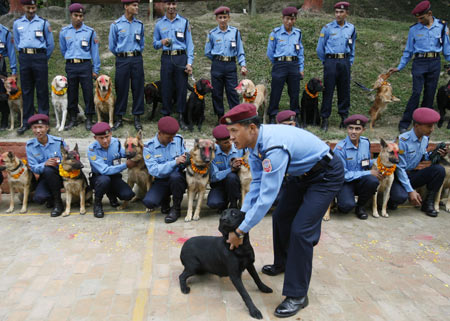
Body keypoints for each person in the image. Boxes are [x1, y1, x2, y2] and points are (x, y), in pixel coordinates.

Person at [221, 103, 344, 318]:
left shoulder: (273, 148)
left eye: (234, 131)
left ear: (251, 128)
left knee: (301, 230)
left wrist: (240, 231)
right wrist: (240, 218)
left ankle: (297, 295)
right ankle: (283, 263)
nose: (230, 137)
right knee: (281, 217)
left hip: (325, 175)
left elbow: (267, 197)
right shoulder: (254, 146)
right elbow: (257, 185)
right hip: (301, 175)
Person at [389, 1, 450, 134]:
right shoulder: (414, 29)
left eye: (422, 18)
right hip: (419, 62)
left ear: (429, 14)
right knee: (416, 93)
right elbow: (408, 51)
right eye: (417, 18)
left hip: (434, 62)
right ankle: (405, 122)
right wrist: (400, 66)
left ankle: (424, 124)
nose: (420, 20)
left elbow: (447, 49)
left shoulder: (442, 27)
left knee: (429, 94)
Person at [388, 107, 447, 217]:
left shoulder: (424, 139)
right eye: (429, 126)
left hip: (411, 174)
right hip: (397, 177)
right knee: (399, 197)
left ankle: (428, 203)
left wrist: (435, 155)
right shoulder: (402, 141)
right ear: (416, 126)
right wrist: (411, 191)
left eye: (433, 126)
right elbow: (399, 169)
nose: (432, 129)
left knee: (439, 170)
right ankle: (392, 199)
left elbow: (423, 156)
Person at [13, 0, 54, 135]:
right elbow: (18, 42)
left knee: (42, 90)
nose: (31, 10)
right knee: (26, 90)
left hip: (39, 57)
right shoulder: (17, 23)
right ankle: (27, 121)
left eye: (33, 7)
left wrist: (42, 58)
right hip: (25, 58)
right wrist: (25, 55)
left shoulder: (43, 23)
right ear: (24, 7)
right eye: (29, 7)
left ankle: (43, 122)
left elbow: (50, 44)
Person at [153, 0, 194, 129]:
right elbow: (154, 44)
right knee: (166, 87)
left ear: (176, 5)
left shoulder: (184, 22)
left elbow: (190, 44)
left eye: (173, 4)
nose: (171, 7)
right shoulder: (159, 24)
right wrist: (161, 42)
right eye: (168, 4)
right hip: (166, 58)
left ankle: (181, 117)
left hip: (181, 57)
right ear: (164, 6)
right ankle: (166, 115)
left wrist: (189, 63)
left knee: (182, 88)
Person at [60, 3, 100, 131]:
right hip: (71, 65)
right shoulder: (64, 32)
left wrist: (96, 69)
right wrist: (70, 59)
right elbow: (63, 49)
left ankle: (89, 118)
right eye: (76, 15)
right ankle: (73, 118)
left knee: (88, 92)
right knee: (72, 92)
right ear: (71, 15)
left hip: (85, 65)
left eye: (81, 16)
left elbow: (95, 52)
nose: (78, 18)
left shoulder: (90, 32)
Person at [316, 1, 356, 132]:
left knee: (344, 91)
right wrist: (326, 61)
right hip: (331, 62)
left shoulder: (351, 28)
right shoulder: (327, 28)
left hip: (344, 61)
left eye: (341, 12)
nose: (338, 14)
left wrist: (350, 61)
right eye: (336, 12)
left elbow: (352, 46)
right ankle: (325, 119)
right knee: (328, 90)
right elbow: (320, 48)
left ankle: (344, 118)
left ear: (347, 13)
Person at [333, 114, 380, 219]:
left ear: (363, 130)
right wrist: (368, 172)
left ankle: (360, 207)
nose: (353, 132)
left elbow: (365, 162)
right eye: (351, 128)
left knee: (373, 181)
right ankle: (342, 201)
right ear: (347, 129)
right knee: (346, 207)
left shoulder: (365, 142)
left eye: (357, 129)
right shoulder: (340, 149)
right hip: (345, 182)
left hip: (360, 180)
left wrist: (379, 162)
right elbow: (344, 175)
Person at [205, 6, 248, 122]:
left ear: (228, 18)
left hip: (230, 65)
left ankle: (235, 116)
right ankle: (220, 117)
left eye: (225, 17)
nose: (223, 20)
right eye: (220, 17)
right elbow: (207, 52)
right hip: (217, 65)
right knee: (217, 93)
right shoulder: (212, 34)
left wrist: (243, 65)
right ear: (216, 19)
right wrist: (217, 59)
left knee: (233, 92)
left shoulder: (235, 32)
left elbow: (240, 51)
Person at [142, 116, 187, 223]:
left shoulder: (178, 140)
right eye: (168, 137)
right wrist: (174, 162)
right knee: (149, 202)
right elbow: (154, 170)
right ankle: (165, 199)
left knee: (175, 177)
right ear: (160, 133)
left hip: (177, 179)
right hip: (161, 180)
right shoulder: (149, 147)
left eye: (173, 136)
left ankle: (176, 208)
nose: (172, 139)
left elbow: (184, 159)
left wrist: (185, 160)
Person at [109, 0, 145, 131]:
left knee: (138, 88)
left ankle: (137, 118)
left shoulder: (139, 25)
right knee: (121, 88)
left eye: (137, 5)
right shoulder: (116, 25)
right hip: (122, 60)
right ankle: (119, 118)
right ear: (126, 6)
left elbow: (142, 44)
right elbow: (112, 46)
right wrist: (122, 55)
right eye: (134, 5)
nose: (137, 8)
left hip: (136, 59)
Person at [87, 122, 136, 218]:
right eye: (101, 138)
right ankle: (97, 204)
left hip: (114, 177)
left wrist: (134, 151)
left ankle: (111, 194)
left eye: (107, 136)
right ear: (95, 138)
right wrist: (125, 165)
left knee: (128, 195)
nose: (105, 140)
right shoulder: (92, 150)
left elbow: (124, 154)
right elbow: (104, 170)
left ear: (111, 134)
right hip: (99, 178)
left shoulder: (115, 143)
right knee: (104, 180)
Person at [266, 7, 304, 125]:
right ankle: (272, 115)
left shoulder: (297, 33)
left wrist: (301, 68)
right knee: (276, 91)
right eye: (287, 19)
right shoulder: (275, 33)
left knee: (294, 92)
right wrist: (278, 63)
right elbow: (270, 52)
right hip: (280, 64)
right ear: (283, 19)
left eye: (292, 19)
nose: (289, 22)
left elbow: (300, 52)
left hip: (294, 64)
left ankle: (295, 115)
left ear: (295, 20)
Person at [25, 114, 66, 217]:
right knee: (39, 198)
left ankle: (58, 203)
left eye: (41, 127)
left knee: (49, 170)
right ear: (32, 129)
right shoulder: (30, 146)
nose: (38, 131)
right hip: (46, 177)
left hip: (62, 175)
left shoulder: (58, 142)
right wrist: (44, 164)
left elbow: (67, 159)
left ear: (47, 128)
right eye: (35, 128)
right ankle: (52, 197)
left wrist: (58, 162)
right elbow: (33, 167)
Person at [207, 124, 243, 212]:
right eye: (225, 143)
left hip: (236, 184)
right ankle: (225, 200)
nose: (230, 144)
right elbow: (214, 177)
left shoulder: (240, 148)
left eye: (230, 140)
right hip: (220, 185)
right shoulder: (212, 153)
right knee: (214, 203)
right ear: (217, 143)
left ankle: (233, 203)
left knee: (232, 177)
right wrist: (231, 169)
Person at [0, 21, 17, 130]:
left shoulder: (5, 32)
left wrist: (13, 71)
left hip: (0, 64)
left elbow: (11, 52)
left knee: (2, 94)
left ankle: (4, 121)